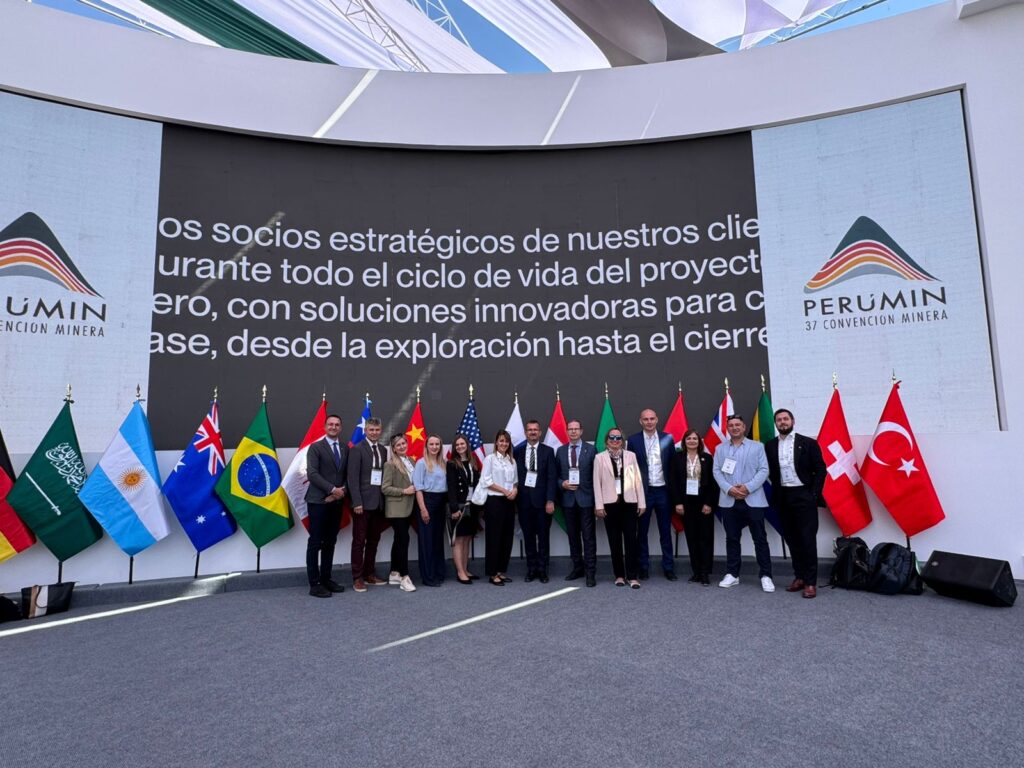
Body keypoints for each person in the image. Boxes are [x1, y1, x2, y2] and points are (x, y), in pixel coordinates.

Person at [765, 408, 827, 599]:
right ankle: (799, 577)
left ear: (793, 421)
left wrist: (813, 495)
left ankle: (810, 582)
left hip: (804, 496)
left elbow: (821, 469)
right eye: (779, 420)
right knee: (791, 539)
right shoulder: (770, 445)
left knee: (807, 540)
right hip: (783, 496)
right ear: (775, 423)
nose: (782, 422)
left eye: (786, 419)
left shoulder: (808, 443)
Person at [712, 414, 774, 593]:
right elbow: (716, 471)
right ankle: (732, 574)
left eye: (737, 425)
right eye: (731, 425)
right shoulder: (720, 448)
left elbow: (764, 470)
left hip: (753, 499)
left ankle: (766, 575)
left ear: (744, 427)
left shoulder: (757, 447)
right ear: (727, 428)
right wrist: (729, 489)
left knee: (759, 539)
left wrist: (747, 488)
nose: (734, 428)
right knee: (732, 538)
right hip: (729, 500)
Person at [626, 409, 677, 581]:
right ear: (640, 421)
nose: (649, 422)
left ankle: (668, 567)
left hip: (663, 491)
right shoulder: (633, 440)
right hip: (644, 492)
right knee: (642, 532)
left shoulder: (667, 438)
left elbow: (672, 466)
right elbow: (630, 468)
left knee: (665, 531)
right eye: (645, 419)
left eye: (652, 419)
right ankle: (643, 567)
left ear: (657, 420)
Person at [593, 426, 646, 589]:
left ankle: (632, 576)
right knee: (614, 541)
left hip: (629, 503)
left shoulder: (631, 456)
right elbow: (596, 483)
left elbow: (638, 480)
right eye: (612, 438)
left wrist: (642, 502)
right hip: (610, 505)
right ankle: (619, 575)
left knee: (631, 540)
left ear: (622, 441)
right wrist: (599, 505)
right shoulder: (599, 458)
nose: (615, 441)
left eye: (618, 438)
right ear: (606, 441)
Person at [303, 414, 348, 598]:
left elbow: (348, 474)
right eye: (330, 424)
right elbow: (312, 474)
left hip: (336, 502)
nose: (333, 427)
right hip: (318, 502)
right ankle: (314, 584)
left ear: (340, 428)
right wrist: (331, 490)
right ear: (325, 427)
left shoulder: (345, 448)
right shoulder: (315, 448)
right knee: (315, 542)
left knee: (330, 541)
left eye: (337, 424)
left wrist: (341, 491)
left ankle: (326, 578)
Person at [668, 429, 718, 586]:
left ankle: (705, 572)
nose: (691, 441)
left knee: (705, 538)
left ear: (699, 441)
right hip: (685, 503)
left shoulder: (707, 458)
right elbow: (672, 482)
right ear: (684, 441)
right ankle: (696, 572)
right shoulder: (677, 458)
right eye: (688, 438)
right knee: (692, 538)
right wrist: (677, 502)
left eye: (695, 438)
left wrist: (709, 503)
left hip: (703, 503)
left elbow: (713, 483)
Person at [347, 416, 389, 592]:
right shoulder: (357, 450)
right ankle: (357, 577)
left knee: (374, 540)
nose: (374, 432)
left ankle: (369, 574)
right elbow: (352, 479)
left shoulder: (383, 450)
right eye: (371, 430)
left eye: (377, 430)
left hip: (378, 503)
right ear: (365, 431)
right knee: (359, 541)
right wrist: (356, 502)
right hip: (362, 504)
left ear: (380, 431)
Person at [513, 420, 558, 583]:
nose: (532, 432)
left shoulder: (548, 451)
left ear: (540, 433)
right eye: (529, 430)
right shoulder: (517, 452)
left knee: (544, 538)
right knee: (529, 537)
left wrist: (550, 500)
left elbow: (552, 478)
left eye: (535, 430)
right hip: (524, 503)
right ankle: (532, 569)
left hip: (543, 503)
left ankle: (543, 570)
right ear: (525, 433)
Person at [556, 419, 597, 587]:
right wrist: (562, 484)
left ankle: (590, 572)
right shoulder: (560, 451)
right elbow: (555, 475)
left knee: (588, 537)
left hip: (586, 499)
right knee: (573, 537)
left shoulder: (591, 450)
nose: (573, 431)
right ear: (567, 431)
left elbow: (596, 476)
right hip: (568, 500)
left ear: (581, 431)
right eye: (570, 429)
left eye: (576, 429)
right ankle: (577, 567)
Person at [481, 429, 518, 586]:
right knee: (494, 538)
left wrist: (514, 491)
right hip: (494, 502)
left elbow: (515, 482)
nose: (504, 443)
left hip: (509, 501)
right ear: (496, 442)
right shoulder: (490, 459)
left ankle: (501, 571)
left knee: (506, 538)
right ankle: (492, 573)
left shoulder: (512, 461)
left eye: (506, 441)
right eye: (501, 440)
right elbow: (486, 481)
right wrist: (504, 490)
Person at [381, 433, 416, 592]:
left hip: (409, 507)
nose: (402, 446)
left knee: (399, 540)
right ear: (394, 449)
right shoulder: (390, 465)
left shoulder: (411, 461)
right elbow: (385, 488)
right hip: (396, 509)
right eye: (398, 445)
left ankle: (394, 573)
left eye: (403, 443)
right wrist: (404, 491)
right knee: (403, 540)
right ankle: (404, 577)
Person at [413, 434, 448, 587]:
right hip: (427, 502)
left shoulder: (443, 463)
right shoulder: (421, 463)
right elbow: (418, 488)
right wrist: (423, 509)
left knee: (438, 540)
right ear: (426, 446)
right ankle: (428, 577)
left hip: (441, 503)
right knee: (427, 541)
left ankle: (439, 572)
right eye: (431, 444)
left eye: (437, 444)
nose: (434, 447)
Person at [446, 434, 481, 585]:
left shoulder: (473, 462)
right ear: (454, 448)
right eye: (457, 445)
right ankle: (460, 572)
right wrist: (454, 508)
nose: (460, 446)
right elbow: (451, 487)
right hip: (460, 506)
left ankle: (465, 570)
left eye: (462, 444)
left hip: (473, 505)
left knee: (467, 538)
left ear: (467, 445)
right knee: (458, 540)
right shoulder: (452, 464)